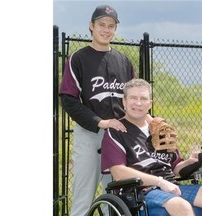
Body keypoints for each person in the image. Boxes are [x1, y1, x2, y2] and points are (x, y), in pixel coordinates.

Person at [59, 5, 136, 216]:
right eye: (101, 24)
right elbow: (68, 99)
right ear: (91, 26)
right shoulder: (79, 58)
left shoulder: (124, 61)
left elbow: (133, 100)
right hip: (90, 133)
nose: (106, 29)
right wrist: (100, 122)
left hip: (119, 136)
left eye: (111, 26)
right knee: (84, 197)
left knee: (115, 196)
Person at [101, 78, 202, 216]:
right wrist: (159, 182)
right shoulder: (116, 131)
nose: (138, 103)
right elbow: (119, 173)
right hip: (140, 191)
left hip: (171, 186)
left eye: (143, 98)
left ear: (150, 103)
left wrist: (192, 162)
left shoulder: (161, 130)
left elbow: (175, 168)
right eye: (133, 98)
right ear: (124, 101)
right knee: (181, 206)